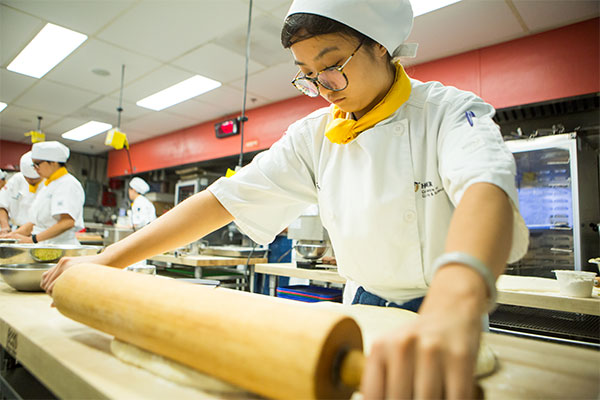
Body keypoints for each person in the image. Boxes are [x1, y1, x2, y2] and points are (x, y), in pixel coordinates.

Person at [42, 0, 528, 397]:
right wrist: (103, 265)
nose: (322, 89)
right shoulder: (313, 135)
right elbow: (220, 201)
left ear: (382, 47)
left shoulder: (447, 111)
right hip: (359, 312)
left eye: (332, 66)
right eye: (306, 75)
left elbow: (486, 190)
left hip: (445, 313)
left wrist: (453, 305)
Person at [6, 141, 85, 245]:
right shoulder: (48, 185)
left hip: (59, 245)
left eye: (37, 164)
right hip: (44, 244)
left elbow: (67, 222)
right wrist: (11, 235)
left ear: (53, 163)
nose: (35, 169)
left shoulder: (68, 184)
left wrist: (33, 239)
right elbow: (35, 223)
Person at [0, 152, 44, 233]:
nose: (30, 181)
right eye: (27, 178)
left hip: (40, 232)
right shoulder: (16, 180)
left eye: (35, 179)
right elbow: (2, 204)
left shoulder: (50, 183)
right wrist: (4, 226)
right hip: (16, 228)